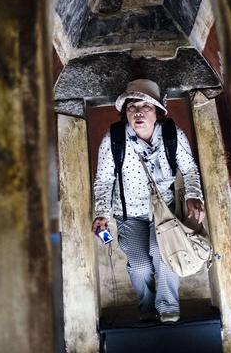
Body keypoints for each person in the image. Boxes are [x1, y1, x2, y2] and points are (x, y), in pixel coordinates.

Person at [91, 79, 205, 323]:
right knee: (141, 266)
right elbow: (103, 180)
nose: (138, 112)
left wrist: (194, 195)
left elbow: (190, 169)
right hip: (127, 216)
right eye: (132, 106)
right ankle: (147, 307)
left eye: (146, 106)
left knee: (162, 254)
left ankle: (168, 309)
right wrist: (102, 214)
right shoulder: (114, 139)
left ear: (158, 112)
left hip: (163, 213)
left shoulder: (172, 135)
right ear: (126, 113)